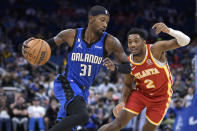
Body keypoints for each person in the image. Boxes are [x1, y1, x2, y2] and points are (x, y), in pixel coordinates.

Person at [22, 5, 132, 131]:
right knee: (82, 116)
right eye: (102, 20)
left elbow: (128, 67)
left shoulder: (111, 42)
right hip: (67, 83)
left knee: (66, 126)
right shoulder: (71, 35)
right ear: (91, 18)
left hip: (83, 91)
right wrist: (31, 46)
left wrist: (116, 67)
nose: (105, 24)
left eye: (107, 21)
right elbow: (45, 46)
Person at [98, 22, 190, 131]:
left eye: (136, 41)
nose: (132, 44)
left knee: (147, 129)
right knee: (117, 124)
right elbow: (127, 84)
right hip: (141, 94)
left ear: (144, 42)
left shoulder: (156, 49)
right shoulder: (128, 63)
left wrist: (169, 31)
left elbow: (186, 41)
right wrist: (122, 101)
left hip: (161, 98)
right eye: (130, 42)